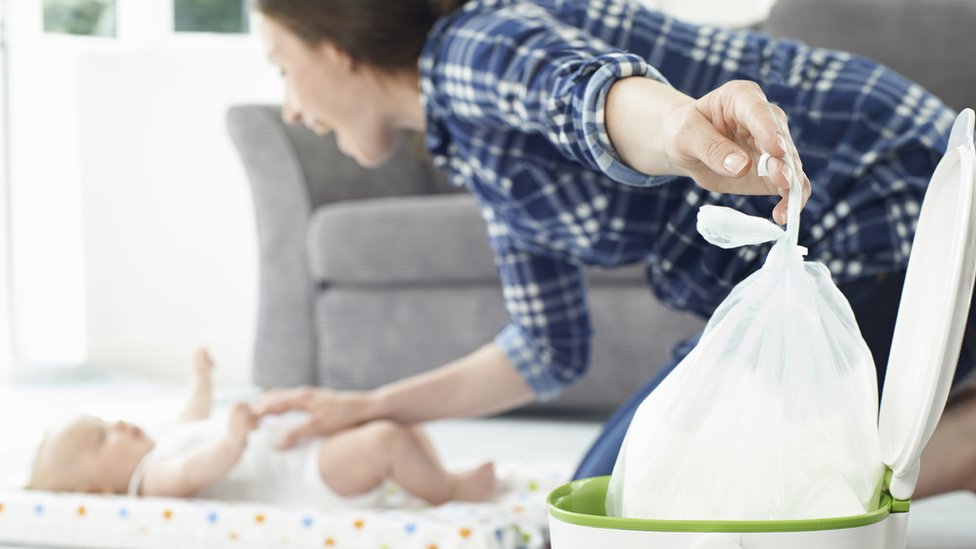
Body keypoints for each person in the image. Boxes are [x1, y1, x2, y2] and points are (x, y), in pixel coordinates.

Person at [250, 0, 976, 499]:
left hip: (891, 202)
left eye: (282, 65)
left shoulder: (468, 46)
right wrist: (370, 405)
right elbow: (547, 345)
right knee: (609, 486)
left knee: (649, 491)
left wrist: (684, 131)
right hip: (865, 230)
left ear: (336, 49)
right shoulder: (471, 145)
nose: (288, 105)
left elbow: (586, 98)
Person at [27, 349, 496, 506]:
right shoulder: (152, 482)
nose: (120, 423)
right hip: (309, 479)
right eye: (101, 436)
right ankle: (448, 492)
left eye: (107, 420)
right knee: (386, 441)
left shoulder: (164, 445)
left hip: (309, 451)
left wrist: (201, 379)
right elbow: (195, 472)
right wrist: (232, 441)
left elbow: (193, 413)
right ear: (98, 492)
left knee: (392, 424)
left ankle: (432, 473)